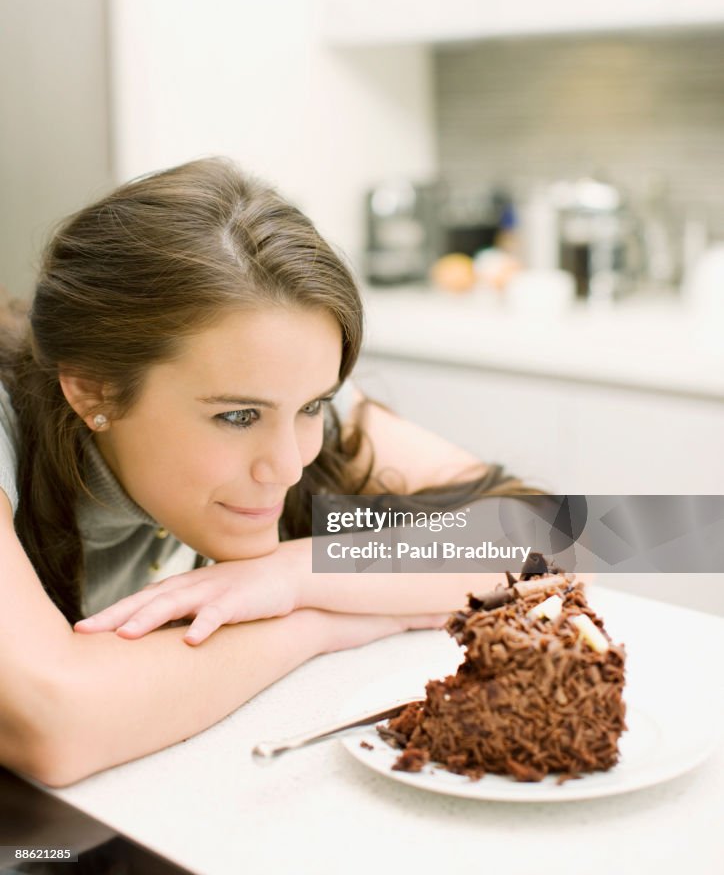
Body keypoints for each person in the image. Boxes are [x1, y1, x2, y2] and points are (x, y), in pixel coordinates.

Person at [0, 158, 532, 788]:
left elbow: (577, 534)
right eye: (237, 416)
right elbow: (52, 725)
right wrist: (318, 622)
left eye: (313, 406)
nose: (286, 464)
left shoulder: (273, 385)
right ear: (94, 392)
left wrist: (294, 573)